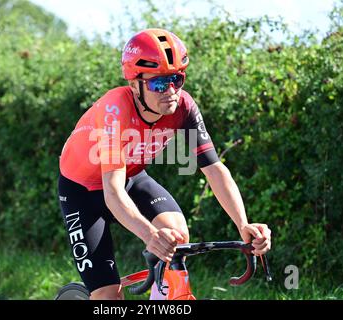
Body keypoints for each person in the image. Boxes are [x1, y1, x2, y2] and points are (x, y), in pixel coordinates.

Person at [58, 28, 271, 300]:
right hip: (83, 191)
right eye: (159, 84)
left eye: (176, 79)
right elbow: (112, 193)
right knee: (108, 296)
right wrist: (150, 235)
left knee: (177, 237)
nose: (170, 91)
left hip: (131, 177)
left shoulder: (184, 106)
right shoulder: (115, 109)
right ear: (135, 84)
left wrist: (243, 225)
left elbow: (214, 169)